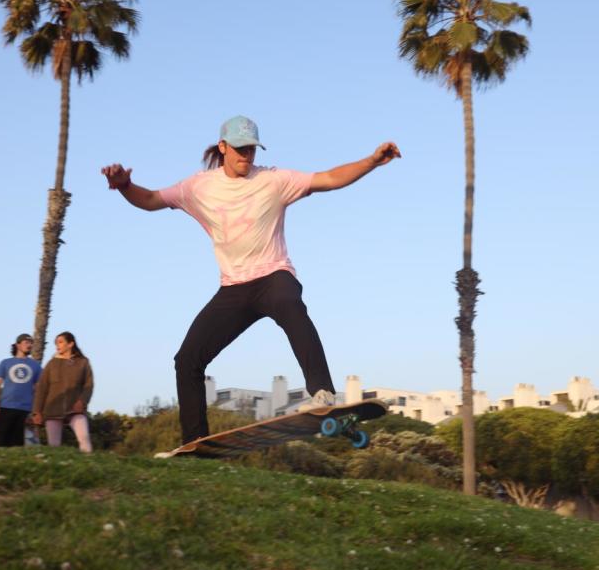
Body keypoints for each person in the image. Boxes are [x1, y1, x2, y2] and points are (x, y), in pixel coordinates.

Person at [101, 115, 400, 445]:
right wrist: (125, 186)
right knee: (187, 360)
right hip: (233, 289)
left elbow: (328, 178)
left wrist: (372, 161)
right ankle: (194, 441)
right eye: (241, 149)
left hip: (273, 276)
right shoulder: (198, 187)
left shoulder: (274, 180)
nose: (247, 156)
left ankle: (322, 394)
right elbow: (151, 200)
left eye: (252, 150)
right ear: (223, 147)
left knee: (289, 303)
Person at [31, 331, 93, 453]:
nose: (57, 345)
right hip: (52, 410)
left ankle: (88, 466)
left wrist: (82, 401)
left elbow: (89, 385)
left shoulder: (83, 362)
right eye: (56, 343)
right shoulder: (51, 364)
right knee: (54, 447)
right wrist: (37, 411)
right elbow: (42, 388)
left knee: (84, 439)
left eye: (60, 342)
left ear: (70, 344)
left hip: (75, 409)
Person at [0, 333, 42, 447]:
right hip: (6, 407)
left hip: (25, 410)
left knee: (17, 446)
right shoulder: (5, 363)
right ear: (18, 345)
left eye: (31, 343)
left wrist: (36, 411)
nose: (29, 345)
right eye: (26, 342)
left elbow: (38, 390)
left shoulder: (36, 366)